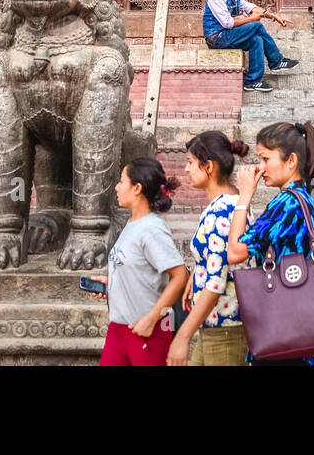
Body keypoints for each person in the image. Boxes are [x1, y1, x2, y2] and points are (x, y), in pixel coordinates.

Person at [226, 121, 314, 366]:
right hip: (308, 333)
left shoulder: (286, 204)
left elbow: (235, 252)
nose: (260, 167)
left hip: (282, 337)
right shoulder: (310, 195)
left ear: (291, 161)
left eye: (266, 159)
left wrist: (244, 196)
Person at [86, 157, 190, 366]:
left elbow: (180, 276)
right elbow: (138, 270)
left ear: (137, 188)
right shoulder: (131, 223)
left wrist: (151, 318)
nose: (117, 187)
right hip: (118, 328)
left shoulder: (152, 228)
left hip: (148, 331)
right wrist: (112, 284)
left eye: (121, 181)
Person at [168, 130, 252, 367]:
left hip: (225, 330)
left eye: (190, 162)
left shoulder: (222, 212)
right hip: (217, 326)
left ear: (209, 167)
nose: (187, 169)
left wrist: (182, 337)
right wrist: (197, 273)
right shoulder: (231, 204)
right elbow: (218, 260)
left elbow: (215, 284)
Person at [204, 0, 298, 93]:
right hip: (216, 38)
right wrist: (252, 19)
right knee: (257, 25)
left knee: (256, 40)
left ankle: (252, 81)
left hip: (228, 35)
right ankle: (276, 61)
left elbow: (252, 8)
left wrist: (274, 16)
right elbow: (227, 23)